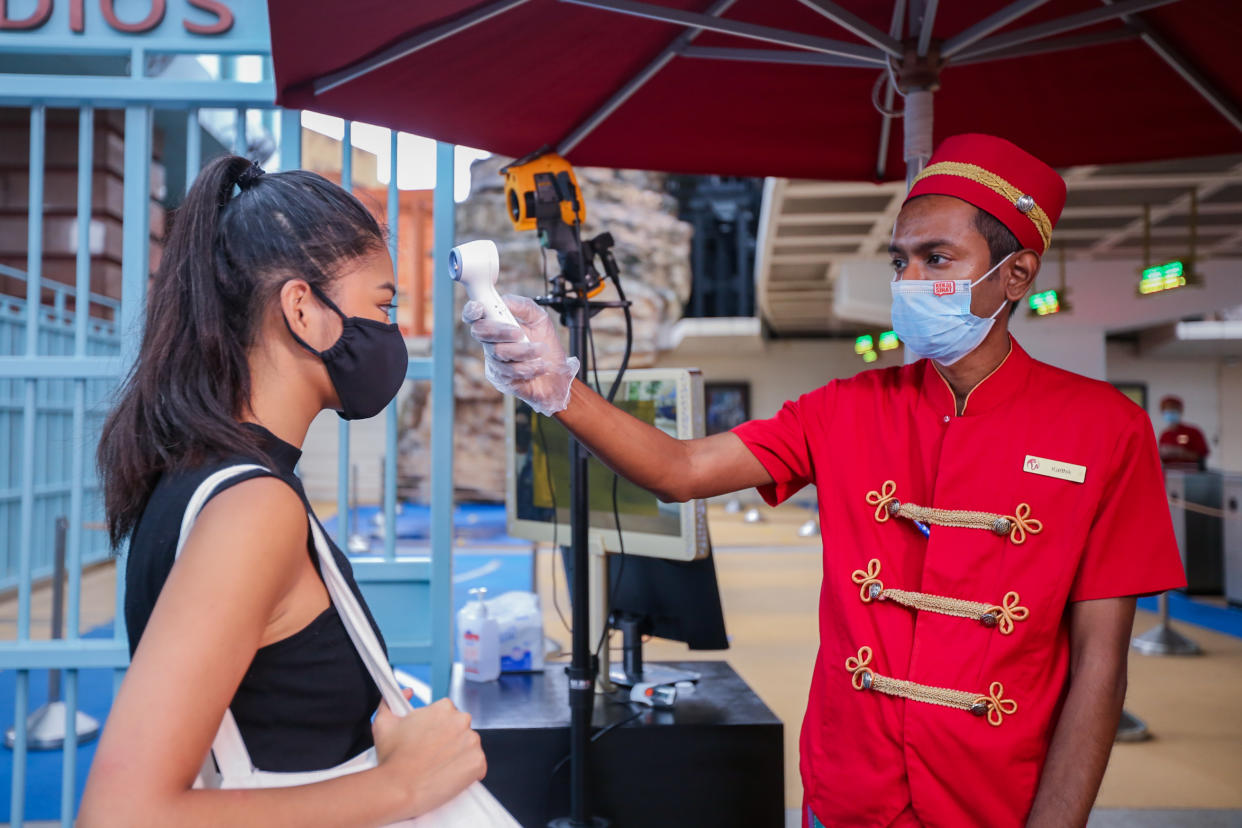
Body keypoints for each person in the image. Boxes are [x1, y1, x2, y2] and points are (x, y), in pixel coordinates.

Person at [463, 134, 1186, 828]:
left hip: (995, 793)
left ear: (1017, 274)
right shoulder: (843, 408)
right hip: (850, 789)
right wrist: (557, 386)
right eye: (899, 261)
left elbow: (1100, 663)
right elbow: (679, 471)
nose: (909, 281)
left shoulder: (1106, 429)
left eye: (936, 257)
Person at [79, 156, 486, 827]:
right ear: (302, 308)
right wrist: (405, 785)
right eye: (383, 304)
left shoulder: (201, 471)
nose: (390, 332)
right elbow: (121, 815)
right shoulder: (253, 506)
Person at [1158, 394, 1210, 471]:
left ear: (1180, 410)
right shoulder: (1164, 435)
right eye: (1167, 410)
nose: (1170, 413)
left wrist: (1181, 452)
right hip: (1170, 474)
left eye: (1173, 409)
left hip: (1191, 474)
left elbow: (1202, 455)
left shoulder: (1193, 432)